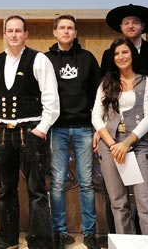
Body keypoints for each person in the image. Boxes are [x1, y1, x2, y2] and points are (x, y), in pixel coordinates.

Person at [0, 15, 60, 249]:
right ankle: (7, 239)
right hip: (2, 132)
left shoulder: (39, 59)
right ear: (4, 34)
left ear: (26, 34)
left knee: (36, 190)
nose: (14, 35)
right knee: (6, 189)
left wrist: (42, 129)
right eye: (9, 31)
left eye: (18, 31)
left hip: (30, 130)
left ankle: (40, 242)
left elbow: (51, 98)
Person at [45, 15, 100, 249]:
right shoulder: (45, 59)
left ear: (75, 32)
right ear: (55, 32)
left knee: (87, 183)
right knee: (57, 183)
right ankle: (59, 233)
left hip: (84, 127)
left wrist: (97, 127)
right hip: (56, 128)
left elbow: (99, 95)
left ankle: (89, 234)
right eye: (62, 28)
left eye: (70, 28)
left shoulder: (87, 58)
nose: (66, 31)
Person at [92, 38, 148, 235]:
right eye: (116, 54)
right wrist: (113, 145)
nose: (121, 57)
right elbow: (96, 116)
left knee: (146, 203)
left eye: (125, 52)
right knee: (118, 203)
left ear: (132, 54)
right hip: (110, 146)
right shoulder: (106, 83)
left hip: (138, 145)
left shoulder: (147, 82)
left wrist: (127, 143)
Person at [101, 4, 148, 77]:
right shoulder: (109, 54)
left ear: (143, 26)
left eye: (135, 22)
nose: (130, 26)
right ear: (121, 27)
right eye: (126, 23)